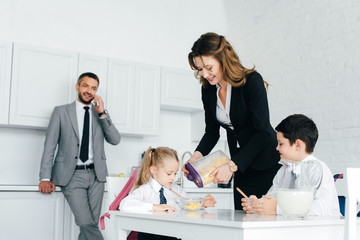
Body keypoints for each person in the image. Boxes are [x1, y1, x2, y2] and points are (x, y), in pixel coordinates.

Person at [182, 32, 281, 210]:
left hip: (265, 164)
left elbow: (263, 131)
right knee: (242, 220)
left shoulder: (251, 81)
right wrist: (197, 156)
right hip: (241, 167)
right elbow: (211, 132)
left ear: (223, 60)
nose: (204, 74)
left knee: (264, 221)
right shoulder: (208, 91)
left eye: (209, 67)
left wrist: (232, 165)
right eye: (199, 69)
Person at [38, 72, 121, 240]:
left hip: (97, 175)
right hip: (71, 175)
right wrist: (45, 177)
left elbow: (115, 140)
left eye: (93, 88)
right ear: (77, 87)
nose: (89, 91)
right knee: (85, 222)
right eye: (85, 86)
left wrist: (103, 113)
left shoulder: (100, 113)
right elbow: (50, 145)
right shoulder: (61, 112)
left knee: (90, 225)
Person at [241, 114, 340, 216]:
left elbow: (320, 209)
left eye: (281, 144)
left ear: (298, 145)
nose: (277, 148)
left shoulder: (317, 169)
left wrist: (276, 210)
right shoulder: (284, 170)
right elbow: (272, 197)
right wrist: (257, 204)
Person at [120, 147, 216, 240]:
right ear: (154, 170)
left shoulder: (176, 190)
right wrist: (155, 207)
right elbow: (125, 204)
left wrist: (202, 203)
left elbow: (187, 203)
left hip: (171, 234)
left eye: (175, 173)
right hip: (148, 236)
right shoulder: (145, 190)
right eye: (169, 173)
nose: (173, 178)